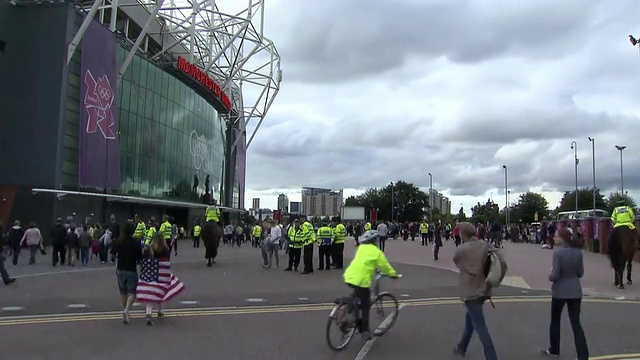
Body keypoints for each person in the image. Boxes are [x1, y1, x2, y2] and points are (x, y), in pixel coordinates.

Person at [452, 222, 505, 360]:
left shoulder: (462, 249)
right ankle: (461, 347)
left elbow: (456, 261)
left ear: (463, 234)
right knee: (471, 319)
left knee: (480, 325)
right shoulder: (486, 245)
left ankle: (492, 356)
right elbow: (502, 261)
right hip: (485, 288)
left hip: (471, 291)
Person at [541, 227, 589, 359]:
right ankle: (583, 355)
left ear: (562, 238)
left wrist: (550, 276)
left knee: (555, 320)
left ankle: (554, 349)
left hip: (560, 292)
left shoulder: (558, 254)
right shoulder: (578, 252)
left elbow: (555, 275)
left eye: (556, 236)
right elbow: (580, 273)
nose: (554, 238)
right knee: (576, 324)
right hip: (575, 290)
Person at [343, 230, 399, 339]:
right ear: (374, 241)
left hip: (349, 276)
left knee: (357, 294)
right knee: (366, 305)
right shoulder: (376, 252)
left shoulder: (361, 248)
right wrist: (393, 274)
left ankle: (350, 306)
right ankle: (364, 330)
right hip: (362, 280)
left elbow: (365, 262)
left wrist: (374, 268)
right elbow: (385, 266)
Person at [110, 221, 143, 324]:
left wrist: (116, 260)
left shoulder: (118, 241)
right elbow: (139, 259)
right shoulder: (135, 243)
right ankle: (127, 310)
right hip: (131, 269)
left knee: (123, 292)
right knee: (132, 293)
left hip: (120, 268)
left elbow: (112, 255)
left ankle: (125, 312)